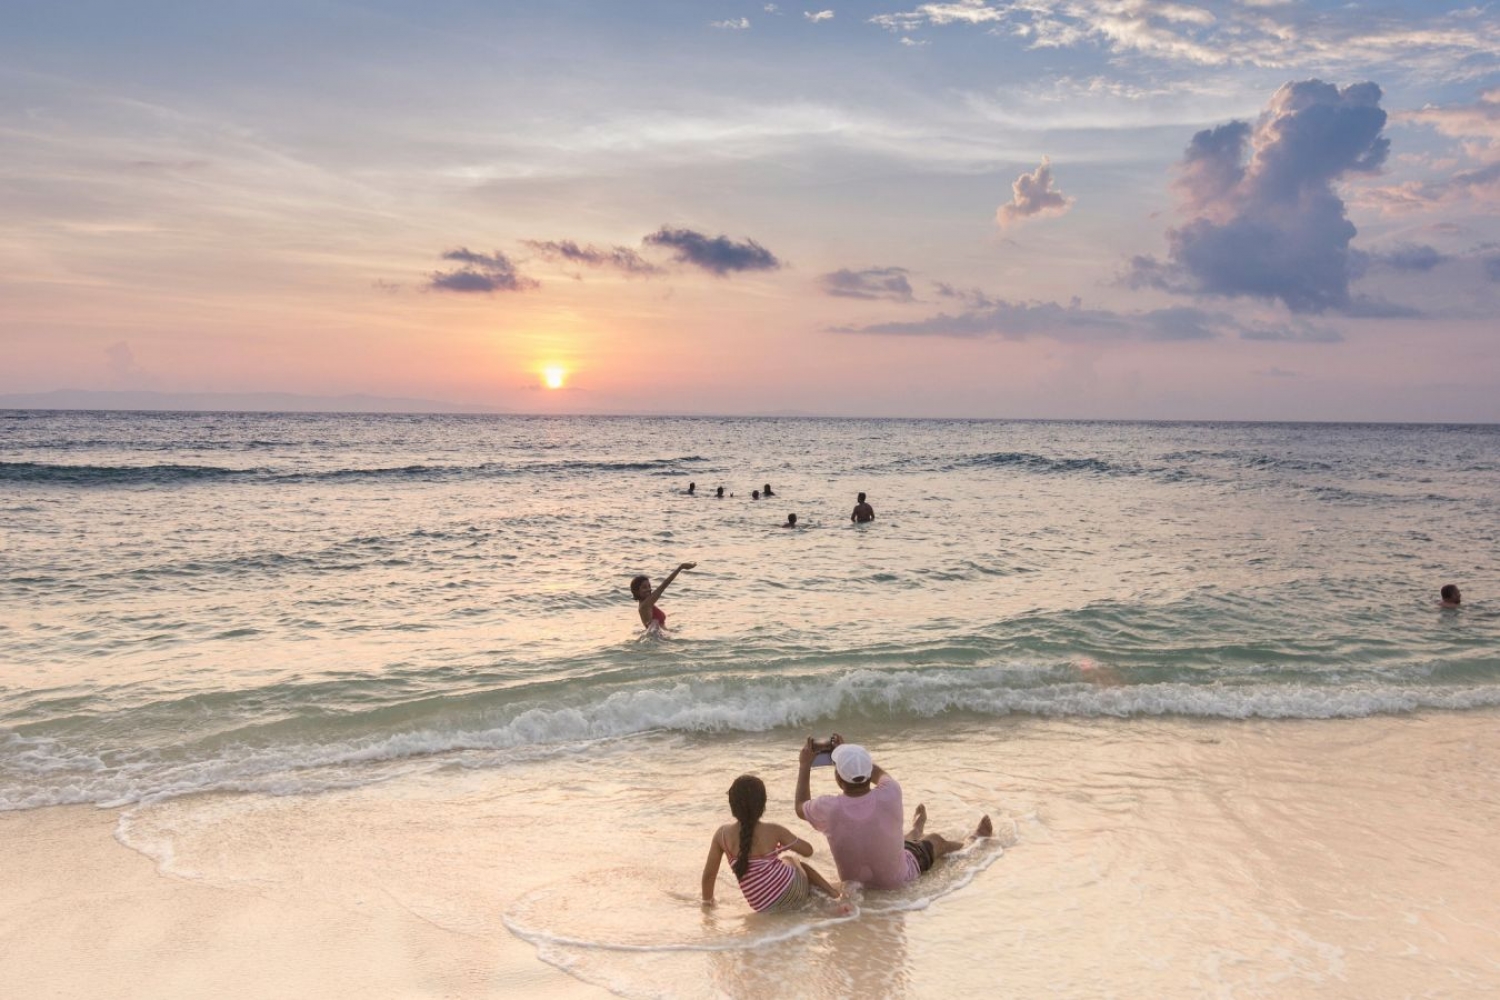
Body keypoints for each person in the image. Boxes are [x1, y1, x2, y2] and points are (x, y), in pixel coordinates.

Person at [795, 736, 990, 890]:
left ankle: (917, 829)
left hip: (856, 884)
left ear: (838, 779)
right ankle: (973, 842)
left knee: (901, 842)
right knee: (936, 841)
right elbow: (878, 775)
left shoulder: (828, 808)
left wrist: (805, 765)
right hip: (897, 880)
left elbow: (800, 805)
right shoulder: (890, 792)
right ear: (867, 768)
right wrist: (852, 755)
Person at [701, 775, 839, 912]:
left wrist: (708, 903)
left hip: (763, 906)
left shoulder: (722, 835)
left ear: (732, 804)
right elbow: (808, 851)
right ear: (763, 804)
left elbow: (709, 875)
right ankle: (834, 894)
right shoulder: (773, 830)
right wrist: (785, 848)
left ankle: (816, 900)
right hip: (794, 890)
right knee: (794, 861)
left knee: (789, 866)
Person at [629, 561, 695, 631]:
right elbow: (663, 586)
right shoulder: (645, 606)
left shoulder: (647, 605)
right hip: (658, 639)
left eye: (649, 586)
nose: (648, 589)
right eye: (644, 587)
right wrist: (680, 568)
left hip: (660, 638)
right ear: (636, 591)